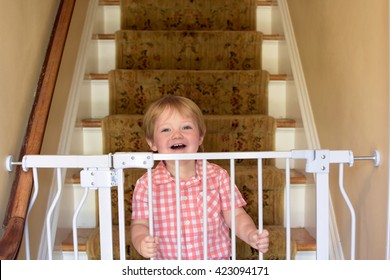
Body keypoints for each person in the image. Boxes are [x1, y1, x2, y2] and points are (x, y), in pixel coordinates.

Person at [130, 95, 269, 260]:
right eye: (166, 129)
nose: (177, 135)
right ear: (152, 143)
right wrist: (140, 242)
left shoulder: (218, 176)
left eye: (186, 127)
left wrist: (250, 234)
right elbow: (140, 224)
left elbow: (237, 216)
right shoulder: (146, 185)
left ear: (200, 137)